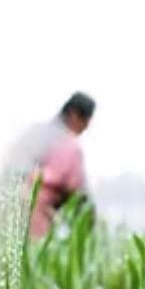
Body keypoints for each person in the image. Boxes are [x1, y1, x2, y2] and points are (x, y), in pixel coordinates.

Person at [10, 92, 95, 239]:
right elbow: (78, 191)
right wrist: (90, 218)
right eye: (86, 121)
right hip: (35, 215)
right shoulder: (69, 145)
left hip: (6, 205)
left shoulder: (35, 131)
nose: (86, 128)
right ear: (74, 115)